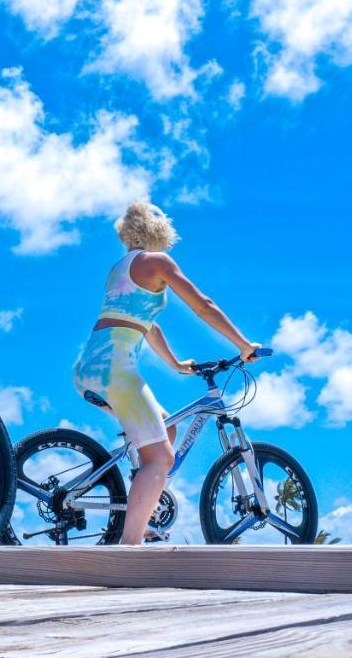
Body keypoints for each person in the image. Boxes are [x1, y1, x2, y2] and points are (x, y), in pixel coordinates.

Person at [73, 200, 261, 545]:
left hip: (88, 367)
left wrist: (175, 364)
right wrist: (243, 344)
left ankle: (142, 511)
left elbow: (145, 325)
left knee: (168, 427)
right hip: (116, 369)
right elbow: (203, 305)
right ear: (160, 231)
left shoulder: (118, 269)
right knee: (159, 457)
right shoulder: (157, 261)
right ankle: (131, 546)